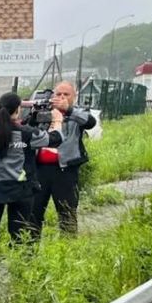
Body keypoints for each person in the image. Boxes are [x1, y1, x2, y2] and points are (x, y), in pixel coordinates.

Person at [0, 91, 52, 302]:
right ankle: (20, 284)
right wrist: (57, 121)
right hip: (20, 191)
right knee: (19, 238)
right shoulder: (26, 134)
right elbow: (52, 140)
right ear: (18, 110)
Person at [30, 81, 97, 238]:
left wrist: (68, 110)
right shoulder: (45, 110)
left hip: (65, 169)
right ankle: (29, 252)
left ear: (74, 96)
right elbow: (29, 127)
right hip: (40, 170)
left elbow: (90, 122)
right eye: (58, 94)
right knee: (34, 212)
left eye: (66, 94)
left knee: (67, 212)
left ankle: (68, 250)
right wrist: (37, 114)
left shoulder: (78, 113)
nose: (61, 97)